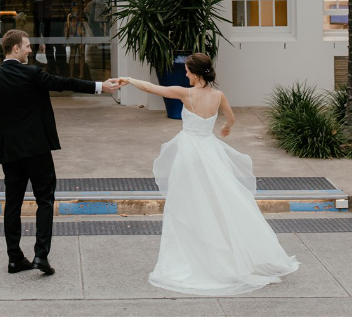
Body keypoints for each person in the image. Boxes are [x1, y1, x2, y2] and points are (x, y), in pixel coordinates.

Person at [120, 53, 300, 295]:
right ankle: (224, 249)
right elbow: (232, 117)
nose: (185, 74)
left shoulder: (187, 94)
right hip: (211, 151)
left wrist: (129, 79)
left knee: (186, 203)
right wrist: (226, 127)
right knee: (218, 200)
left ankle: (196, 253)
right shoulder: (218, 96)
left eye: (186, 71)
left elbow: (153, 88)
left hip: (189, 153)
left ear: (195, 73)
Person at [0, 29, 120, 276]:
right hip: (38, 149)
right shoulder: (32, 73)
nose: (30, 50)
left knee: (13, 204)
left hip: (10, 153)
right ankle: (41, 255)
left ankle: (15, 259)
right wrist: (100, 87)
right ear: (15, 48)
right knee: (45, 200)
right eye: (27, 46)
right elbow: (64, 83)